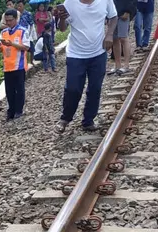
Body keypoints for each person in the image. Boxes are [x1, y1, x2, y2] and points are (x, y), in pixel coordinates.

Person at [55, 0, 118, 133]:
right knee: (72, 88)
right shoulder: (70, 3)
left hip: (98, 52)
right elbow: (62, 28)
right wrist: (61, 18)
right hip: (76, 54)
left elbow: (113, 16)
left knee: (95, 88)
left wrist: (109, 34)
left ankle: (88, 120)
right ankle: (65, 118)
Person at [0, 9, 30, 120]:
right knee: (9, 91)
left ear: (16, 19)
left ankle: (18, 110)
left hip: (19, 65)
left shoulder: (22, 31)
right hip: (7, 66)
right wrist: (0, 47)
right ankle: (11, 110)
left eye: (10, 20)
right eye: (6, 20)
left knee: (19, 89)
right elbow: (0, 48)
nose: (8, 23)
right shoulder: (3, 32)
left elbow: (26, 47)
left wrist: (12, 44)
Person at [111, 0, 136, 75]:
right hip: (112, 13)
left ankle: (126, 65)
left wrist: (129, 11)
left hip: (123, 13)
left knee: (123, 38)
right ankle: (117, 65)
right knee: (115, 39)